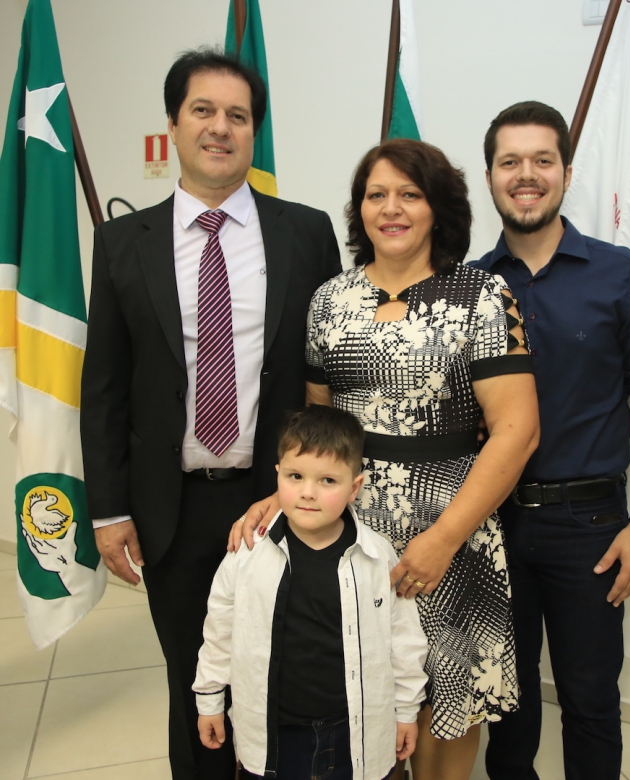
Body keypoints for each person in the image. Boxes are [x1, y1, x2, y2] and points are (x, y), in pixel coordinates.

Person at [236, 138, 540, 780]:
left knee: (449, 699)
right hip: (349, 530)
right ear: (360, 209)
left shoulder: (482, 295)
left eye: (410, 194)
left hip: (454, 528)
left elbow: (517, 432)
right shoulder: (329, 301)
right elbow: (317, 433)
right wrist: (280, 495)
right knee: (362, 689)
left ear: (438, 209)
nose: (391, 208)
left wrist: (443, 539)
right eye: (377, 195)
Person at [80, 48, 341, 780]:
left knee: (286, 677)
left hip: (282, 501)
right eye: (203, 111)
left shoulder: (306, 233)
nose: (220, 128)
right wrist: (109, 510)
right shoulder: (122, 243)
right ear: (173, 125)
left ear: (254, 131)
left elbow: (327, 372)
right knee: (195, 685)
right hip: (173, 509)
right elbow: (105, 386)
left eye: (237, 115)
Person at [472, 101, 630, 780]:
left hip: (590, 527)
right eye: (510, 161)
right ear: (489, 176)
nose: (526, 174)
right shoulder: (469, 287)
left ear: (567, 173)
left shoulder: (621, 276)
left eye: (543, 160)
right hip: (492, 521)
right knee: (506, 708)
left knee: (591, 703)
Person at [194, 405, 429, 780]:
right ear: (278, 475)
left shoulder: (377, 556)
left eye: (328, 481)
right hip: (274, 733)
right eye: (295, 476)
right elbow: (219, 630)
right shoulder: (247, 553)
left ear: (354, 488)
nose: (307, 492)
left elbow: (404, 640)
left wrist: (406, 711)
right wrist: (209, 700)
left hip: (357, 733)